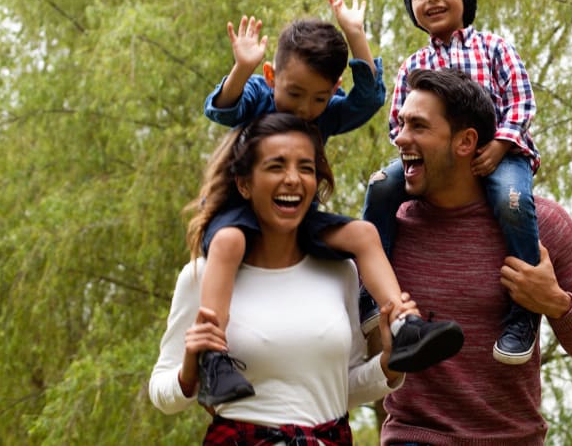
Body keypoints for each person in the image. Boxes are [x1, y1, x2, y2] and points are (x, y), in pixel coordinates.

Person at [196, 0, 462, 407]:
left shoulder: (325, 113)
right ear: (272, 77)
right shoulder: (259, 93)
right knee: (228, 242)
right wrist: (243, 68)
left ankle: (404, 323)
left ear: (333, 91)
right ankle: (213, 358)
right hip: (239, 214)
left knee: (363, 233)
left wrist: (356, 35)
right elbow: (222, 109)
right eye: (295, 94)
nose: (304, 110)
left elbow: (369, 100)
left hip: (299, 218)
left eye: (318, 99)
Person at [378, 68, 572, 445]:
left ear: (465, 141)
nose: (400, 138)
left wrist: (556, 303)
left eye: (418, 126)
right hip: (415, 435)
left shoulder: (543, 225)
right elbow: (352, 351)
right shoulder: (388, 231)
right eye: (402, 123)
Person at [149, 113, 411, 444]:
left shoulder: (341, 272)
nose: (293, 179)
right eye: (276, 166)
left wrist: (390, 363)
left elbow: (342, 389)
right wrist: (190, 369)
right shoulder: (201, 277)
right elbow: (161, 394)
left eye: (306, 168)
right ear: (244, 184)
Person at [363, 0, 543, 365]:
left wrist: (498, 144)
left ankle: (524, 309)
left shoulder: (493, 48)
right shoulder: (413, 65)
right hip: (435, 159)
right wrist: (413, 149)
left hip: (501, 153)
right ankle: (370, 289)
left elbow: (520, 102)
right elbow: (398, 125)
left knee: (511, 201)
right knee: (381, 185)